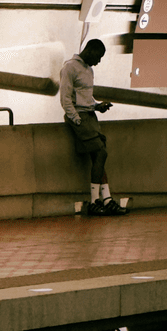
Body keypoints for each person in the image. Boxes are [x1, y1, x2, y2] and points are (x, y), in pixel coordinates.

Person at [59, 39, 127, 216]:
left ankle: (106, 200)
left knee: (99, 156)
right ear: (89, 50)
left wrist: (97, 106)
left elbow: (86, 99)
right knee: (101, 153)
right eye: (98, 56)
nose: (98, 61)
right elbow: (65, 98)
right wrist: (76, 119)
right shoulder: (70, 68)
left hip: (90, 116)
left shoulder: (89, 70)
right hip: (80, 118)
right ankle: (95, 201)